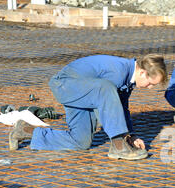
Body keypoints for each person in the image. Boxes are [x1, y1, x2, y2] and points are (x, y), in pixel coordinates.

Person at [9, 54, 167, 160]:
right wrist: (121, 138)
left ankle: (24, 130)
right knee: (105, 88)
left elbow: (120, 107)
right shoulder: (118, 72)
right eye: (151, 83)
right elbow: (107, 101)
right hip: (67, 85)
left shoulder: (127, 78)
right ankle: (118, 146)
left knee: (80, 142)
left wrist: (130, 136)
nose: (150, 88)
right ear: (142, 72)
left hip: (83, 90)